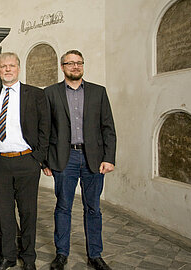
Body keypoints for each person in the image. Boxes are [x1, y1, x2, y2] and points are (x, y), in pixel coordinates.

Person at [43, 50, 116, 270]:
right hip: (64, 159)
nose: (75, 67)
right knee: (63, 207)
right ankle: (61, 254)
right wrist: (45, 161)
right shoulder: (50, 93)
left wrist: (109, 158)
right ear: (62, 66)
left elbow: (108, 128)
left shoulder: (98, 92)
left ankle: (95, 255)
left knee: (93, 208)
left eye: (79, 63)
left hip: (93, 158)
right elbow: (45, 130)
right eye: (70, 63)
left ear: (83, 65)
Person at [0, 52, 50, 270]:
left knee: (28, 212)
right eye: (3, 66)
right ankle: (8, 257)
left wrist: (37, 158)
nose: (7, 69)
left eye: (11, 66)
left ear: (18, 68)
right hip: (0, 164)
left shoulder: (36, 95)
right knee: (5, 213)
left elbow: (45, 129)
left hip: (26, 162)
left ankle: (29, 259)